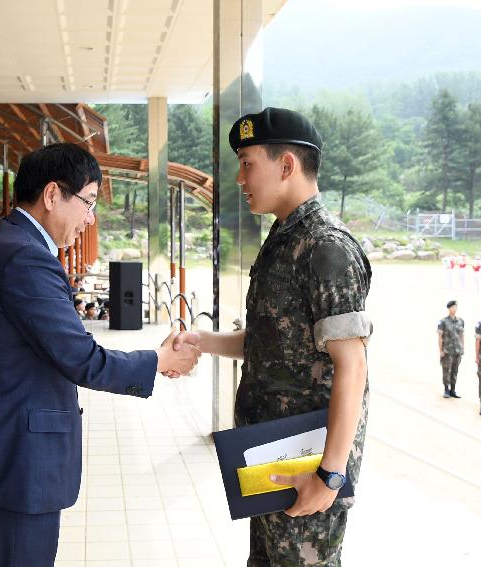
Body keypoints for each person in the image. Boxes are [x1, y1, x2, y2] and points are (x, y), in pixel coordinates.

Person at [0, 143, 200, 567]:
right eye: (88, 202)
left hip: (3, 455)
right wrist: (159, 361)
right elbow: (80, 357)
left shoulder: (10, 244)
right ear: (52, 195)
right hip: (16, 465)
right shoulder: (25, 258)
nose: (90, 218)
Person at [171, 108, 372, 566]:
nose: (240, 178)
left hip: (307, 459)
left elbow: (352, 366)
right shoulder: (283, 238)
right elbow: (268, 340)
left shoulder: (327, 248)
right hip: (269, 451)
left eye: (247, 163)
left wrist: (331, 475)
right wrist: (201, 340)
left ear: (286, 166)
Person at [437, 300, 464, 398]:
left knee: (455, 370)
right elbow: (440, 336)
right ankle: (446, 389)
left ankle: (453, 389)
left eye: (456, 307)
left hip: (457, 350)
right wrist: (440, 350)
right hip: (447, 351)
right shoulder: (443, 322)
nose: (454, 309)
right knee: (446, 370)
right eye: (452, 307)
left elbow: (462, 335)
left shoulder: (461, 321)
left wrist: (462, 347)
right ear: (449, 309)